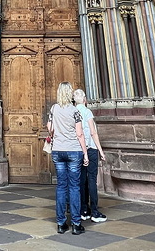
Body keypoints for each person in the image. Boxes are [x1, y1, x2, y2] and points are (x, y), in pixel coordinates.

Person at [47, 81, 89, 235]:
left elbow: (49, 128)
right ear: (70, 93)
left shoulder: (54, 108)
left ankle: (61, 223)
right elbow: (80, 134)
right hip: (73, 151)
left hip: (58, 150)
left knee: (61, 186)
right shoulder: (75, 110)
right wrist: (85, 153)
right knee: (74, 187)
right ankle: (76, 224)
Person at [73, 89, 107, 224]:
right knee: (92, 179)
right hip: (91, 149)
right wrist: (101, 151)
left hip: (79, 150)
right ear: (85, 99)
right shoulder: (87, 112)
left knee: (82, 180)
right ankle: (94, 211)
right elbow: (93, 133)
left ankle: (83, 210)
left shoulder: (73, 112)